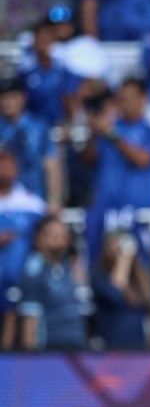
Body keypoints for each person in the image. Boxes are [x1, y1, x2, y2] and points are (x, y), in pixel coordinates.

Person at [82, 79, 150, 264]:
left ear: (144, 99)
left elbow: (142, 160)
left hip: (138, 215)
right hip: (104, 212)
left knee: (139, 269)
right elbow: (88, 159)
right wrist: (93, 131)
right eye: (120, 98)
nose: (123, 103)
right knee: (98, 268)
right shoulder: (108, 128)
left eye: (129, 98)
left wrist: (112, 134)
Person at [0, 150, 47, 350]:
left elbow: (47, 235)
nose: (5, 171)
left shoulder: (32, 203)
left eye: (9, 165)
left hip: (24, 277)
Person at [19, 215, 87, 350]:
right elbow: (30, 320)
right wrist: (29, 359)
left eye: (63, 234)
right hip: (50, 350)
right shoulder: (34, 271)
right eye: (54, 234)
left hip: (76, 346)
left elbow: (82, 300)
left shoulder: (69, 265)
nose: (60, 239)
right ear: (39, 238)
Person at [0, 77, 62, 211]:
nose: (8, 102)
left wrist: (54, 201)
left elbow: (52, 166)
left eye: (13, 97)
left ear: (23, 97)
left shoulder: (39, 128)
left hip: (34, 199)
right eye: (4, 98)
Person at [90, 229, 150, 349]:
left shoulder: (138, 276)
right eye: (115, 243)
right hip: (112, 347)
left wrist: (134, 265)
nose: (120, 248)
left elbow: (149, 302)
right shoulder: (99, 274)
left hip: (140, 347)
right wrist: (124, 260)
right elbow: (115, 293)